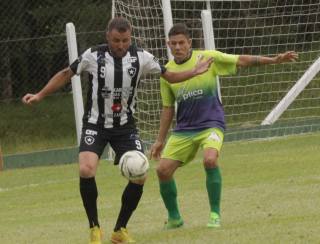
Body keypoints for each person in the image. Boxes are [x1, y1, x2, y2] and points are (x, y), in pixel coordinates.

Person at [22, 18, 212, 244]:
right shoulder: (94, 55)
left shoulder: (142, 57)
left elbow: (169, 75)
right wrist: (40, 95)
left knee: (140, 174)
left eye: (125, 40)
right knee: (86, 169)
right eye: (115, 41)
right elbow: (66, 73)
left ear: (130, 38)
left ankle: (120, 230)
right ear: (107, 37)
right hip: (95, 124)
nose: (120, 45)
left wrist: (193, 72)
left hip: (125, 127)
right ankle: (94, 228)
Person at [150, 23, 298, 229]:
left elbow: (241, 60)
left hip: (211, 124)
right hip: (184, 129)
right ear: (168, 44)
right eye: (173, 43)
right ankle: (175, 218)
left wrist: (274, 60)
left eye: (181, 43)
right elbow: (168, 108)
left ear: (189, 43)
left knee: (210, 160)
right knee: (163, 171)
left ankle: (214, 214)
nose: (177, 47)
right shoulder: (167, 73)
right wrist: (159, 140)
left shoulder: (207, 58)